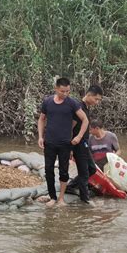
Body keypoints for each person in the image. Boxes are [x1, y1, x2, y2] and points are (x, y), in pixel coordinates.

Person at [37, 77, 89, 207]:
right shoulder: (48, 102)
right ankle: (52, 197)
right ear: (56, 88)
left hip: (65, 143)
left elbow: (85, 120)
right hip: (49, 142)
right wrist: (40, 137)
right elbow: (41, 119)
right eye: (62, 91)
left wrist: (79, 136)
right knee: (48, 170)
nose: (65, 94)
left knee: (63, 171)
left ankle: (61, 198)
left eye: (68, 91)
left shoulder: (72, 103)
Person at [67, 85, 103, 203]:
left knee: (92, 169)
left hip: (84, 143)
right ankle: (85, 201)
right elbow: (70, 128)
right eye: (96, 99)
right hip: (77, 143)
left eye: (98, 100)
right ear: (88, 95)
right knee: (84, 172)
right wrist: (70, 148)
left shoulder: (86, 107)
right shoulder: (78, 107)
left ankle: (71, 186)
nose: (97, 102)